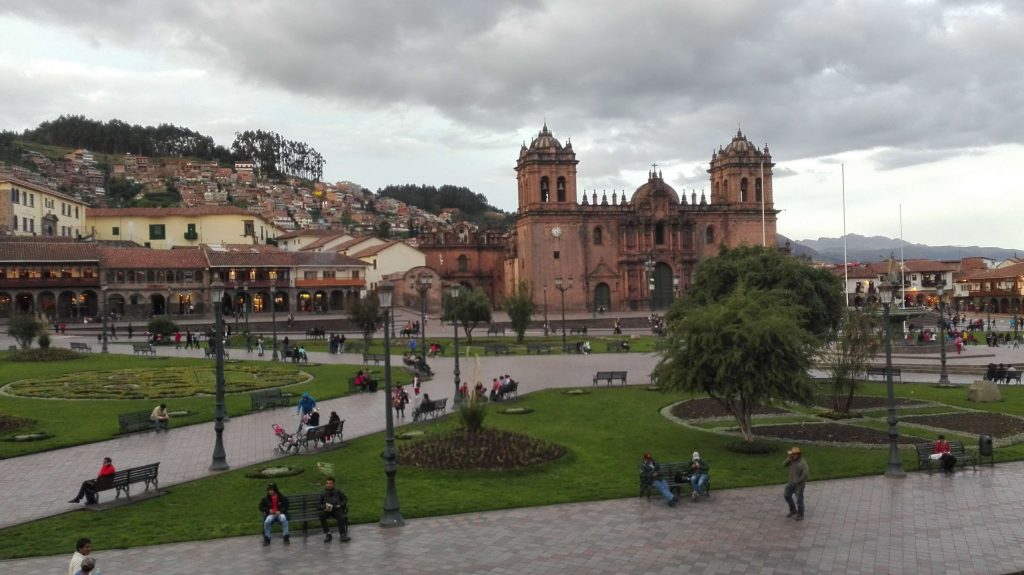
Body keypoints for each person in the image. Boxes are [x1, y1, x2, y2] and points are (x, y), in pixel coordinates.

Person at [318, 477, 350, 543]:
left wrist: (340, 505)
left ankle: (342, 535)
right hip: (327, 510)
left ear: (333, 484)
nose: (328, 485)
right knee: (321, 516)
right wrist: (324, 507)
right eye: (327, 483)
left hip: (336, 509)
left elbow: (345, 500)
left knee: (340, 517)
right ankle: (328, 534)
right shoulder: (323, 493)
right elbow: (318, 504)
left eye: (330, 483)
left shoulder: (338, 492)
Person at [783, 446, 809, 521]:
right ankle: (793, 510)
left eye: (794, 454)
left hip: (799, 485)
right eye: (792, 454)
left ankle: (800, 515)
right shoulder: (791, 460)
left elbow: (805, 474)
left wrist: (798, 481)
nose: (793, 455)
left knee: (799, 500)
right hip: (791, 483)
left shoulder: (802, 463)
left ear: (798, 454)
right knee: (786, 495)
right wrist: (789, 459)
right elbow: (784, 464)